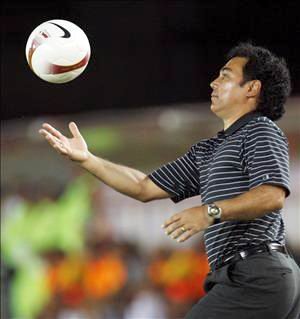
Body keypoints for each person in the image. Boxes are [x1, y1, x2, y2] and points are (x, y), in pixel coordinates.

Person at [39, 42, 300, 318]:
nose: (213, 82)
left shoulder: (260, 130)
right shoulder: (208, 150)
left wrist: (209, 212)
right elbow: (143, 186)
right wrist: (87, 159)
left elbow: (272, 196)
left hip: (257, 275)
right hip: (250, 276)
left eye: (225, 76)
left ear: (252, 88)